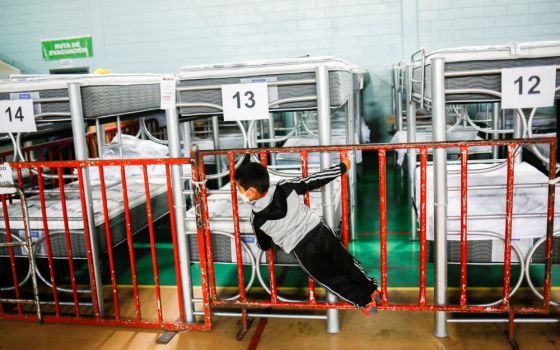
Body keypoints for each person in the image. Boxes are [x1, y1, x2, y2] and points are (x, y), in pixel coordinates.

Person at [234, 159, 381, 315]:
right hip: (320, 231)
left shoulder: (257, 219)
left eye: (238, 188)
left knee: (331, 279)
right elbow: (315, 179)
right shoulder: (285, 187)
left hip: (303, 250)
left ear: (250, 192)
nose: (238, 192)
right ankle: (371, 289)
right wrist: (342, 168)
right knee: (346, 262)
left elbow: (264, 245)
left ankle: (364, 303)